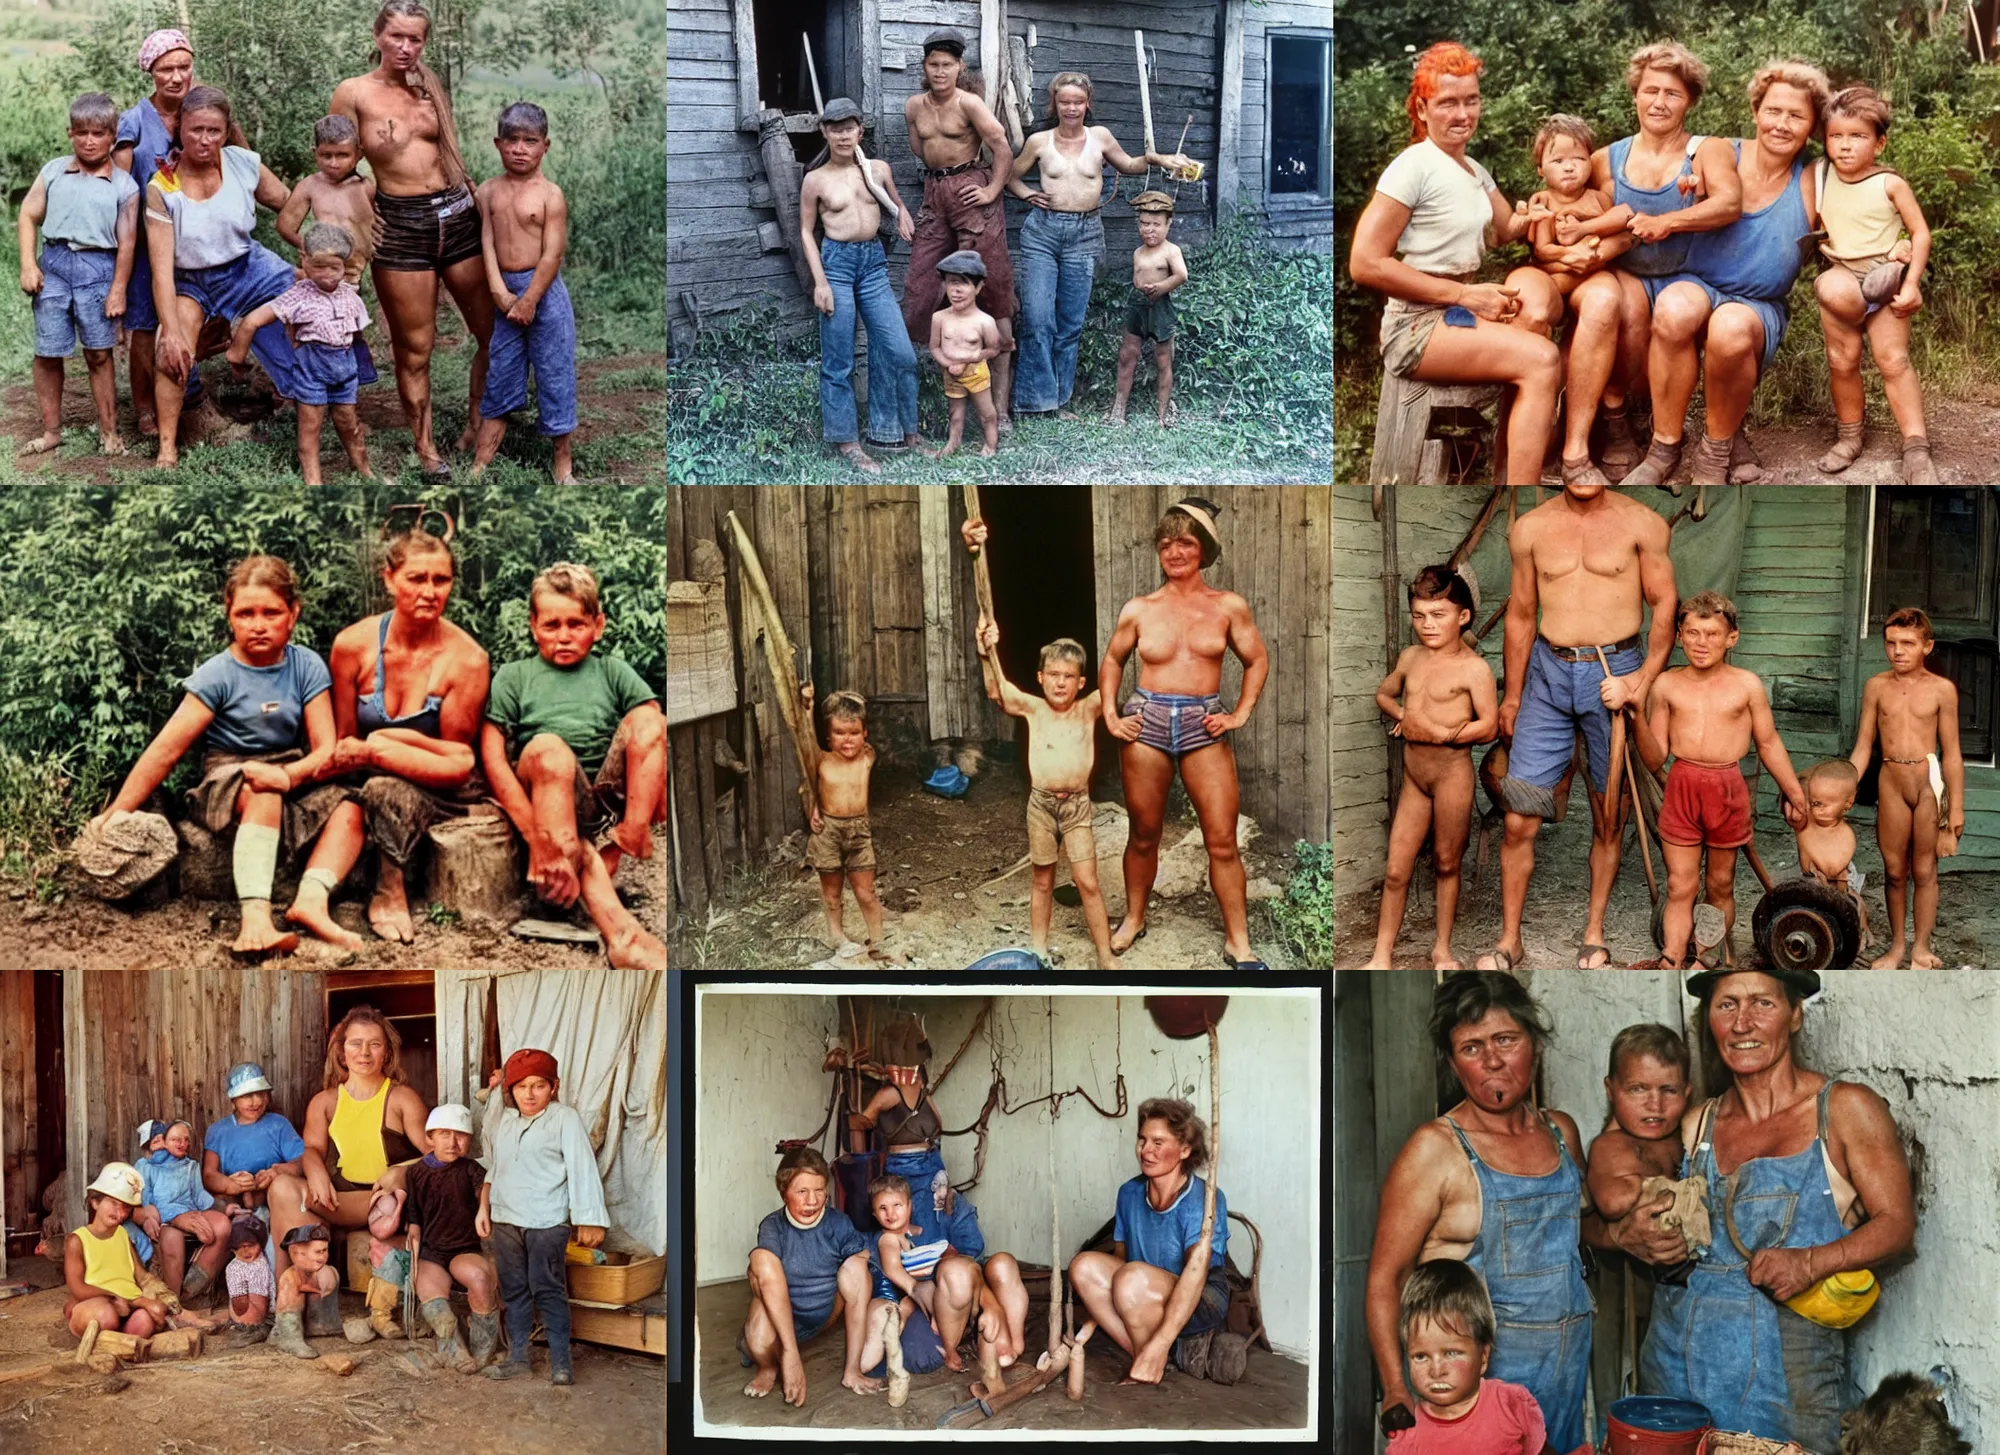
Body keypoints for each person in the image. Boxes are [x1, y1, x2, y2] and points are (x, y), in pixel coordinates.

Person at [1366, 973, 1654, 1449]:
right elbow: (1385, 1277)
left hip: (1565, 1367)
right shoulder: (1434, 1150)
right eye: (1471, 1047)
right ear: (1453, 1063)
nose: (1493, 1060)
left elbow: (1576, 1227)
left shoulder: (1560, 1132)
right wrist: (1396, 1387)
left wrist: (1627, 1235)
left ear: (1534, 1045)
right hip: (1475, 1392)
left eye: (1506, 1039)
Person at [1637, 969, 1915, 1450]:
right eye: (1726, 1006)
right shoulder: (1695, 1122)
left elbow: (1897, 1226)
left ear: (1795, 1015)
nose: (1742, 1023)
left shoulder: (1844, 1109)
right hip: (1675, 1370)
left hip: (1787, 1390)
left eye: (1762, 1004)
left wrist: (1812, 1261)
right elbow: (1616, 1204)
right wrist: (1634, 1234)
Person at [90, 555, 346, 959]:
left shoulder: (305, 665)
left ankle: (311, 901)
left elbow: (326, 748)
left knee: (351, 807)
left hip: (290, 770)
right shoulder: (218, 674)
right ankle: (256, 921)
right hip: (229, 774)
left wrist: (290, 776)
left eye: (271, 612)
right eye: (245, 613)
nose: (258, 624)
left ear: (293, 614)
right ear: (229, 613)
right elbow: (166, 749)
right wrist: (117, 812)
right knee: (262, 791)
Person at [1480, 481, 1677, 970]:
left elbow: (1666, 605)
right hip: (1548, 672)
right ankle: (1510, 941)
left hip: (1615, 669)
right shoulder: (1531, 528)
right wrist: (1513, 696)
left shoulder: (1641, 523)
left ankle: (1593, 932)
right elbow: (1522, 615)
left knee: (1609, 813)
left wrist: (1642, 680)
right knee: (1518, 815)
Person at [1346, 42, 1560, 486]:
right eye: (1448, 103)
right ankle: (1521, 498)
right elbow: (1364, 263)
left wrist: (1538, 211)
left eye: (1471, 100)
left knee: (1535, 322)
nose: (1463, 114)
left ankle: (1506, 477)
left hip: (1454, 313)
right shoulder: (1413, 166)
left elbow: (1503, 230)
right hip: (1415, 327)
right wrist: (1465, 294)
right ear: (1423, 108)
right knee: (1541, 360)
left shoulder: (1472, 169)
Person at [1626, 61, 1833, 489]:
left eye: (1796, 116)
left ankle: (1715, 451)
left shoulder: (1815, 179)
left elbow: (1862, 223)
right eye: (1773, 111)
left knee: (1731, 328)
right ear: (1756, 111)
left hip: (1756, 305)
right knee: (1674, 308)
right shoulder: (1721, 153)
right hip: (1696, 282)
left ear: (1812, 125)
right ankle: (1664, 446)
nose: (1781, 124)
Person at [283, 525, 491, 949]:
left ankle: (389, 891)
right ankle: (311, 896)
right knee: (353, 796)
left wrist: (384, 749)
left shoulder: (467, 659)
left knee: (384, 788)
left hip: (437, 787)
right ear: (389, 578)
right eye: (416, 578)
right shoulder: (353, 646)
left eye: (441, 580)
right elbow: (344, 737)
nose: (429, 591)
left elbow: (454, 760)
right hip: (363, 772)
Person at [1560, 42, 1742, 484]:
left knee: (1675, 314)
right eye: (1650, 91)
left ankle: (1680, 443)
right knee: (1624, 311)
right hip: (1628, 273)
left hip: (1688, 273)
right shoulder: (1607, 158)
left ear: (1690, 101)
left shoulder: (1706, 150)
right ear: (1635, 94)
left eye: (1673, 94)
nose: (1659, 102)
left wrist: (1670, 221)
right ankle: (1616, 421)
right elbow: (1571, 204)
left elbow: (1729, 204)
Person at [1101, 499, 1271, 969]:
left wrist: (1238, 714)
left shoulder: (1228, 606)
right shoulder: (1139, 609)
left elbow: (1256, 660)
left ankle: (1239, 942)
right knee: (1143, 833)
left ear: (1205, 550)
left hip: (1202, 723)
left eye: (1186, 543)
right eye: (1166, 544)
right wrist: (1113, 717)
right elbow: (1113, 660)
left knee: (1221, 840)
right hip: (1148, 722)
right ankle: (1134, 918)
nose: (1175, 552)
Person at [330, 0, 495, 477]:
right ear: (378, 36)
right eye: (397, 37)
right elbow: (335, 160)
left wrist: (475, 196)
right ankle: (427, 451)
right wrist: (362, 204)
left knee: (490, 333)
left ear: (425, 41)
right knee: (415, 348)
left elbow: (450, 148)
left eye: (415, 39)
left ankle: (476, 424)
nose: (406, 47)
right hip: (402, 225)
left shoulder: (429, 84)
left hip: (458, 215)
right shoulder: (354, 92)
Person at [141, 86, 338, 471]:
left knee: (313, 301)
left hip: (247, 267)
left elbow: (289, 202)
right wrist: (171, 329)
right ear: (180, 127)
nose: (204, 140)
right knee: (171, 349)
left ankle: (314, 400)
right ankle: (168, 448)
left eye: (214, 131)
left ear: (226, 129)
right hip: (190, 280)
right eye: (195, 129)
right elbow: (162, 271)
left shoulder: (242, 163)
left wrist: (315, 247)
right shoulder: (162, 186)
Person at [482, 562, 667, 971]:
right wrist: (536, 838)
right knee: (550, 748)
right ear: (533, 626)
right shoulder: (515, 676)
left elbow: (651, 733)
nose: (564, 635)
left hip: (597, 797)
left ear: (598, 625)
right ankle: (609, 924)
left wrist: (638, 821)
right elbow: (492, 755)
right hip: (544, 791)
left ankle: (623, 844)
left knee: (653, 719)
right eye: (551, 625)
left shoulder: (611, 670)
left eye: (576, 624)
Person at [962, 519, 1117, 968]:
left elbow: (1115, 675)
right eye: (1053, 676)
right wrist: (984, 647)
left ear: (1081, 681)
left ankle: (1106, 955)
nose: (1061, 684)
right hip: (1041, 805)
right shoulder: (1033, 707)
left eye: (1069, 677)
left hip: (1078, 806)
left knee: (1087, 880)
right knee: (1043, 879)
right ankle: (1037, 948)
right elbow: (997, 690)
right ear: (1040, 677)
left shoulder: (1089, 707)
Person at [1628, 590, 1810, 970]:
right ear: (1679, 635)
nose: (1701, 643)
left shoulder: (1746, 685)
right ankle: (1672, 958)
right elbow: (1654, 757)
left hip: (1727, 788)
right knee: (1680, 885)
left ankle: (1706, 958)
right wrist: (1636, 717)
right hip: (1682, 786)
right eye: (1692, 633)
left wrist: (1794, 791)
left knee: (1720, 884)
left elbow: (1769, 742)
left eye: (1712, 635)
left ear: (1732, 639)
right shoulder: (1666, 685)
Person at [851, 1014, 1028, 1381]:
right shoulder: (887, 1094)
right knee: (917, 1236)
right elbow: (860, 1123)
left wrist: (941, 1177)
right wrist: (862, 1166)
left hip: (935, 1166)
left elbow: (938, 1129)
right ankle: (943, 1314)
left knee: (950, 1220)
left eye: (912, 1063)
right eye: (901, 1063)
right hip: (902, 1168)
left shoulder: (924, 1091)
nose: (907, 1070)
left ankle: (969, 1306)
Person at [1008, 71, 1192, 417]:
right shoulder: (1040, 142)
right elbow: (1011, 176)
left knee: (1070, 321)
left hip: (1085, 233)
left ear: (1088, 103)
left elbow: (1131, 165)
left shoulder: (1100, 138)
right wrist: (1028, 194)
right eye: (1065, 101)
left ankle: (1059, 403)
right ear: (1055, 103)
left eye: (1078, 101)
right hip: (1042, 234)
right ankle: (1034, 401)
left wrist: (1156, 158)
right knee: (1038, 318)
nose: (1072, 108)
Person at [1367, 564, 1499, 971]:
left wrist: (1444, 734)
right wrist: (1406, 715)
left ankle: (1441, 949)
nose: (1427, 625)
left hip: (1450, 776)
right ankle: (1380, 955)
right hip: (1415, 779)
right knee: (1395, 869)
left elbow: (1489, 724)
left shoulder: (1474, 669)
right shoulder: (1411, 657)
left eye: (1438, 615)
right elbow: (1384, 694)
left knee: (1446, 861)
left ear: (1463, 617)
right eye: (1419, 615)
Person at [114, 27, 241, 442]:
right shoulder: (133, 122)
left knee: (195, 322)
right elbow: (117, 185)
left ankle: (183, 394)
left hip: (197, 236)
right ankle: (146, 407)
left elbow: (235, 153)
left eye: (184, 66)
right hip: (150, 239)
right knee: (146, 325)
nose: (176, 76)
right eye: (166, 68)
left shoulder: (198, 110)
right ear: (150, 71)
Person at [1068, 1097, 1247, 1386]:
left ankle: (1160, 1350)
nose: (1146, 1151)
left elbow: (1194, 1275)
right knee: (1083, 1266)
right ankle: (1150, 1360)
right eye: (1142, 1140)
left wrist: (1160, 1340)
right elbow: (1121, 1261)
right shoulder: (1129, 1193)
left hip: (1200, 1298)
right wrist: (1096, 1312)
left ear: (1185, 1150)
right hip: (1141, 1289)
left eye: (1158, 1143)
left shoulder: (1203, 1199)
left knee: (1131, 1278)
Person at [1813, 85, 1937, 482]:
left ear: (1879, 143)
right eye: (1836, 136)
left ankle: (1916, 448)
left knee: (1893, 360)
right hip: (1841, 278)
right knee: (1842, 360)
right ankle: (1849, 437)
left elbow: (1919, 233)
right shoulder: (1819, 175)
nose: (1845, 146)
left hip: (1884, 279)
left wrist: (1912, 281)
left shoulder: (1889, 184)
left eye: (1858, 136)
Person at [901, 27, 1018, 425]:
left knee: (994, 291)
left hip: (972, 189)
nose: (939, 72)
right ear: (924, 67)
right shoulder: (914, 106)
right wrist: (938, 187)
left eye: (947, 65)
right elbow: (921, 149)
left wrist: (992, 190)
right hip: (935, 192)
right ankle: (952, 395)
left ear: (959, 66)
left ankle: (999, 410)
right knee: (921, 286)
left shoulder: (970, 104)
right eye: (933, 65)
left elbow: (1002, 147)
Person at [801, 96, 919, 476]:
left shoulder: (878, 169)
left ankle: (904, 431)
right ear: (824, 132)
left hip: (873, 266)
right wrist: (820, 282)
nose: (842, 134)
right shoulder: (815, 179)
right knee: (839, 359)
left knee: (900, 351)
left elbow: (897, 206)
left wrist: (903, 216)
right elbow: (806, 231)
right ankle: (848, 442)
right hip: (835, 265)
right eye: (835, 128)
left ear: (860, 131)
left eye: (849, 127)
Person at [17, 91, 138, 457]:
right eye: (82, 132)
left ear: (112, 138)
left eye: (98, 134)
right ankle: (52, 431)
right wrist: (28, 263)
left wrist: (118, 289)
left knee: (99, 354)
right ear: (70, 133)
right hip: (54, 266)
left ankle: (109, 433)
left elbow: (128, 243)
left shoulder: (123, 186)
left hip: (98, 270)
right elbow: (28, 215)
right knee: (48, 352)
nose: (89, 141)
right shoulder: (54, 171)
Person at [267, 1006, 432, 1266]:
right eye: (356, 1044)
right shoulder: (325, 1102)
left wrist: (402, 1172)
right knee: (281, 1187)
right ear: (342, 1052)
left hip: (388, 1198)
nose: (364, 1053)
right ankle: (290, 1293)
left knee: (388, 1202)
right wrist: (316, 1174)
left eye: (374, 1044)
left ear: (386, 1052)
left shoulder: (401, 1098)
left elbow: (436, 1156)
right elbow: (311, 1149)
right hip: (343, 1198)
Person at [482, 1049, 609, 1385]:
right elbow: (497, 1165)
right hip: (507, 1219)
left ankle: (561, 1363)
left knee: (548, 1289)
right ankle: (518, 1357)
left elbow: (582, 1165)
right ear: (511, 1091)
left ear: (553, 1087)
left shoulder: (564, 1118)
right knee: (514, 1290)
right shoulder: (506, 1122)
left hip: (547, 1221)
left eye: (538, 1085)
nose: (529, 1093)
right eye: (521, 1086)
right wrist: (486, 1207)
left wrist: (589, 1217)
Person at [1848, 606, 1963, 968]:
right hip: (1891, 781)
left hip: (1928, 785)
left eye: (1908, 643)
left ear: (1926, 646)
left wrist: (1955, 808)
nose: (1898, 651)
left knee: (1925, 870)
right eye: (1892, 643)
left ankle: (1921, 948)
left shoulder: (1942, 690)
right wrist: (1843, 787)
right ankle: (1897, 947)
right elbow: (1864, 746)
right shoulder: (1876, 687)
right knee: (1895, 871)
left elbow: (1953, 755)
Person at [472, 102, 577, 483]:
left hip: (544, 294)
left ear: (544, 146)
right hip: (504, 292)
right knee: (500, 372)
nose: (520, 149)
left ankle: (562, 463)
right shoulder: (487, 192)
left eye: (529, 141)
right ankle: (479, 465)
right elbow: (486, 243)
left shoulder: (550, 195)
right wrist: (501, 295)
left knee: (554, 372)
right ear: (498, 143)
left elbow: (553, 253)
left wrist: (530, 298)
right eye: (512, 140)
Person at [226, 222, 377, 483]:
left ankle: (365, 472)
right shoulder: (297, 296)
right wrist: (236, 356)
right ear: (304, 260)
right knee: (310, 428)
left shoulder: (350, 297)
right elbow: (252, 321)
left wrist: (360, 368)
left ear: (345, 265)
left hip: (345, 371)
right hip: (312, 371)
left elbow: (357, 336)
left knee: (349, 424)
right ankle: (313, 481)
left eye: (335, 267)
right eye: (319, 266)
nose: (327, 275)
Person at [739, 1146, 885, 1404]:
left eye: (819, 1191)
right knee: (760, 1260)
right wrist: (791, 1355)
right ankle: (769, 1366)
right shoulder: (773, 1226)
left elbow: (865, 1255)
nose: (812, 1201)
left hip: (823, 1314)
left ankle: (852, 1371)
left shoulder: (837, 1222)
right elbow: (764, 1273)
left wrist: (855, 1261)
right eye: (801, 1192)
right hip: (782, 1319)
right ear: (784, 1193)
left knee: (858, 1268)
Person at [1389, 1259, 1561, 1454]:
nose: (1436, 1371)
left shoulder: (1511, 1406)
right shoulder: (1409, 1438)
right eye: (1421, 1357)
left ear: (1484, 1357)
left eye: (1451, 1353)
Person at [1585, 1025, 1697, 1285]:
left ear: (1686, 1093)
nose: (1655, 1105)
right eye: (1637, 1089)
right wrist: (1647, 1186)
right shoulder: (1610, 1146)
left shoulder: (1689, 1134)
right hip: (1649, 1280)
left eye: (1669, 1090)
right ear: (1611, 1090)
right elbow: (1613, 1202)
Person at [404, 1103, 501, 1374]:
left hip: (464, 1250)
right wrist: (413, 1243)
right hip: (431, 1252)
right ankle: (453, 1350)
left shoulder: (470, 1169)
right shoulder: (416, 1173)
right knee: (435, 1304)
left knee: (481, 1279)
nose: (453, 1142)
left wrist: (483, 1208)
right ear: (429, 1138)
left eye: (461, 1136)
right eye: (444, 1134)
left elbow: (484, 1185)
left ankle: (483, 1349)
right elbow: (414, 1215)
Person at [801, 687, 884, 957]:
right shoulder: (821, 760)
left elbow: (859, 708)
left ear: (865, 734)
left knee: (866, 891)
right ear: (828, 735)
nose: (847, 740)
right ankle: (837, 937)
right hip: (829, 831)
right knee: (832, 893)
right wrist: (808, 705)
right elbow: (805, 736)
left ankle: (877, 941)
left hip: (860, 831)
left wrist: (847, 702)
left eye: (854, 733)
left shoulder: (868, 757)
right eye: (839, 733)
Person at [857, 1174, 951, 1404]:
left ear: (910, 1205)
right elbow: (891, 1268)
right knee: (880, 1324)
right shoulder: (888, 1238)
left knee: (934, 1297)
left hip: (909, 1301)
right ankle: (867, 1362)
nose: (890, 1214)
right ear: (874, 1213)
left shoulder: (921, 1233)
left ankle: (905, 1333)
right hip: (887, 1297)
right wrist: (914, 1287)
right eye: (882, 1208)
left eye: (897, 1205)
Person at [1523, 115, 1630, 309]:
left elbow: (1618, 235)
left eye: (1579, 159)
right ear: (1540, 170)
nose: (1570, 167)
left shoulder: (1599, 198)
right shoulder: (1544, 202)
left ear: (1591, 162)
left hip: (1598, 271)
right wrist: (1570, 256)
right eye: (1558, 161)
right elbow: (1542, 249)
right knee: (1547, 291)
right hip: (1561, 273)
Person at [133, 1117, 241, 1302]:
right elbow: (146, 1198)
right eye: (175, 1139)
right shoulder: (146, 1166)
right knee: (172, 1238)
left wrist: (223, 1208)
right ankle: (173, 1298)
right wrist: (168, 1216)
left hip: (190, 1210)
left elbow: (199, 1196)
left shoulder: (191, 1166)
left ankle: (192, 1288)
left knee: (222, 1225)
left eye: (186, 1139)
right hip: (165, 1217)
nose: (182, 1144)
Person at [64, 1162, 172, 1341]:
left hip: (126, 1308)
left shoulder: (123, 1235)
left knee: (146, 1319)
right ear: (95, 1202)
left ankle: (118, 1344)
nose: (120, 1212)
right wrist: (119, 1298)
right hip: (97, 1305)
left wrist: (164, 1301)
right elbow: (78, 1289)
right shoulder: (77, 1240)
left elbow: (141, 1276)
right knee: (106, 1315)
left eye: (126, 1207)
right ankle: (112, 1339)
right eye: (113, 1203)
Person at [1108, 190, 1187, 427]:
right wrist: (1141, 288)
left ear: (1168, 224)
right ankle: (1118, 410)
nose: (1149, 230)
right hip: (1138, 304)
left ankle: (1162, 413)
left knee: (1163, 358)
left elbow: (1182, 275)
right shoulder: (1138, 253)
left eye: (1156, 224)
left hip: (1160, 306)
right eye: (1144, 224)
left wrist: (1161, 287)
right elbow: (1137, 279)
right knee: (1127, 355)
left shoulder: (1170, 251)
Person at [277, 115, 378, 284]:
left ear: (358, 154)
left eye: (343, 155)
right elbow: (285, 226)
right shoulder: (310, 185)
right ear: (314, 153)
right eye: (326, 155)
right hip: (319, 272)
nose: (334, 163)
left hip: (351, 275)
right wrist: (309, 247)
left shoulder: (366, 186)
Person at [202, 1061, 306, 1218]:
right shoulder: (218, 1131)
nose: (256, 1101)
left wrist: (277, 1172)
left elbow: (303, 1161)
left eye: (261, 1094)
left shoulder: (278, 1125)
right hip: (233, 1205)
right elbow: (209, 1175)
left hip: (275, 1203)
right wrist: (230, 1185)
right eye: (247, 1096)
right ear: (233, 1100)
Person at [926, 250, 1001, 459]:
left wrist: (970, 359)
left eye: (964, 284)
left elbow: (994, 349)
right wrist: (947, 364)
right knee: (955, 413)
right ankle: (953, 443)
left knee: (987, 413)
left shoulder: (985, 322)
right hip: (951, 373)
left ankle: (990, 445)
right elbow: (934, 347)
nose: (956, 290)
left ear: (978, 288)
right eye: (951, 283)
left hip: (976, 372)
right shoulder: (939, 318)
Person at [1793, 758, 1870, 952]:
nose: (1814, 809)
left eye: (1822, 804)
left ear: (1848, 803)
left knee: (1850, 908)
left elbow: (1835, 869)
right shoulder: (1807, 825)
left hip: (1840, 883)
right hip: (1813, 880)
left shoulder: (1844, 835)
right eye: (1813, 802)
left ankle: (1857, 935)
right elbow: (1806, 865)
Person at [270, 1222, 340, 1359]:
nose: (323, 1257)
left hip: (311, 1319)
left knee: (331, 1274)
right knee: (292, 1284)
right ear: (297, 1254)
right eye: (318, 1252)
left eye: (325, 1251)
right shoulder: (290, 1277)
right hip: (289, 1322)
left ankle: (318, 1325)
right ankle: (287, 1336)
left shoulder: (316, 1272)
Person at [221, 1217, 273, 1342]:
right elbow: (240, 1304)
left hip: (260, 1318)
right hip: (250, 1317)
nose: (245, 1251)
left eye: (250, 1245)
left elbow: (244, 1306)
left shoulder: (261, 1263)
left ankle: (250, 1328)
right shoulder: (238, 1265)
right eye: (239, 1247)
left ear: (260, 1243)